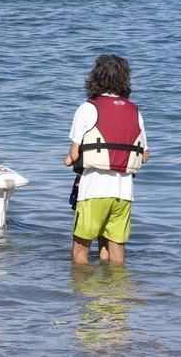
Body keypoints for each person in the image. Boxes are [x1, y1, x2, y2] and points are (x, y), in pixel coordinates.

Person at [64, 54, 149, 265]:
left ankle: (83, 293)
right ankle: (116, 292)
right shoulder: (134, 111)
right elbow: (144, 155)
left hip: (94, 189)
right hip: (123, 192)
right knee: (115, 249)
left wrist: (68, 160)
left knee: (80, 249)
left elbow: (73, 156)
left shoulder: (88, 108)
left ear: (95, 77)